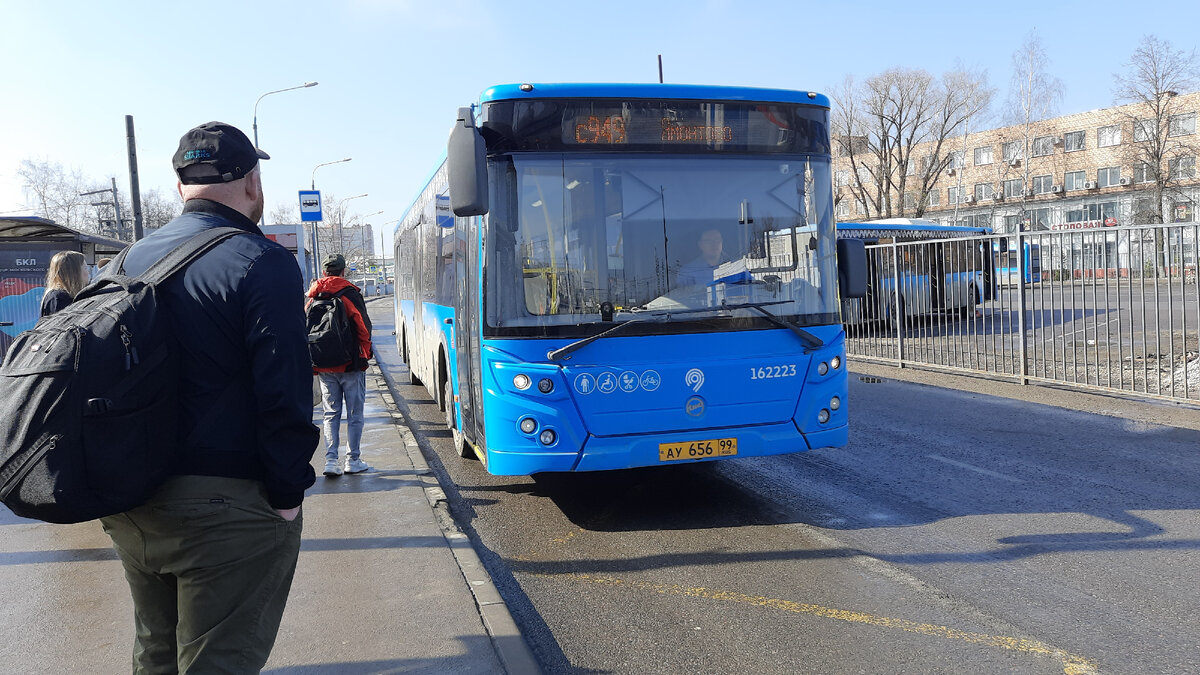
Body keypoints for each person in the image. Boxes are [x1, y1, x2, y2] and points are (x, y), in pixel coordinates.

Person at [97, 121, 319, 673]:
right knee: (217, 661)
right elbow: (285, 390)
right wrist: (287, 495)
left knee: (156, 652)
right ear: (251, 182)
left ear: (180, 188)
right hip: (225, 511)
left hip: (132, 502)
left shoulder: (123, 264)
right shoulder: (261, 261)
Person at [307, 252, 373, 477]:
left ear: (325, 272)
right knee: (354, 413)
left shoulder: (313, 297)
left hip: (324, 366)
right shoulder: (349, 294)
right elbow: (363, 328)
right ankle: (352, 460)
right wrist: (364, 354)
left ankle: (331, 461)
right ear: (343, 271)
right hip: (350, 364)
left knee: (330, 413)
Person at [40, 250, 88, 316]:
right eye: (85, 268)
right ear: (73, 272)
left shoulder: (66, 295)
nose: (88, 272)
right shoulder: (59, 298)